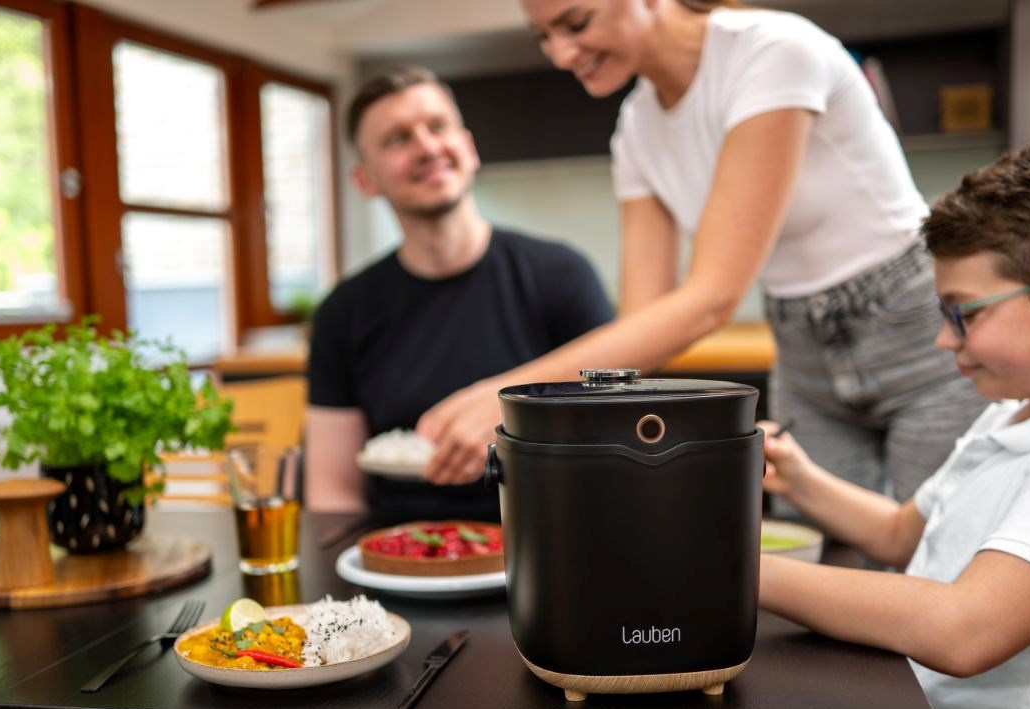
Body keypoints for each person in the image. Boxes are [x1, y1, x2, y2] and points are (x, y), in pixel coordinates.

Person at [416, 0, 986, 530]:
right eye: (543, 35)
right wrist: (526, 406)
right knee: (817, 550)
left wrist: (514, 393)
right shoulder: (637, 129)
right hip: (802, 349)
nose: (561, 54)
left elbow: (712, 298)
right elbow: (644, 328)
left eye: (576, 22)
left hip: (920, 330)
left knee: (940, 546)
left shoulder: (772, 52)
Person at [760, 136, 1030, 709]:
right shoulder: (1012, 413)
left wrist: (727, 569)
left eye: (963, 314)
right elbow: (903, 534)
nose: (944, 339)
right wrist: (798, 477)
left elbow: (965, 628)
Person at [304, 65, 614, 523]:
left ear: (468, 147)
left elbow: (615, 435)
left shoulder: (562, 274)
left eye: (437, 126)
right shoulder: (342, 312)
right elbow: (333, 492)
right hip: (399, 545)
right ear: (365, 180)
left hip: (549, 537)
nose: (427, 147)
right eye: (398, 139)